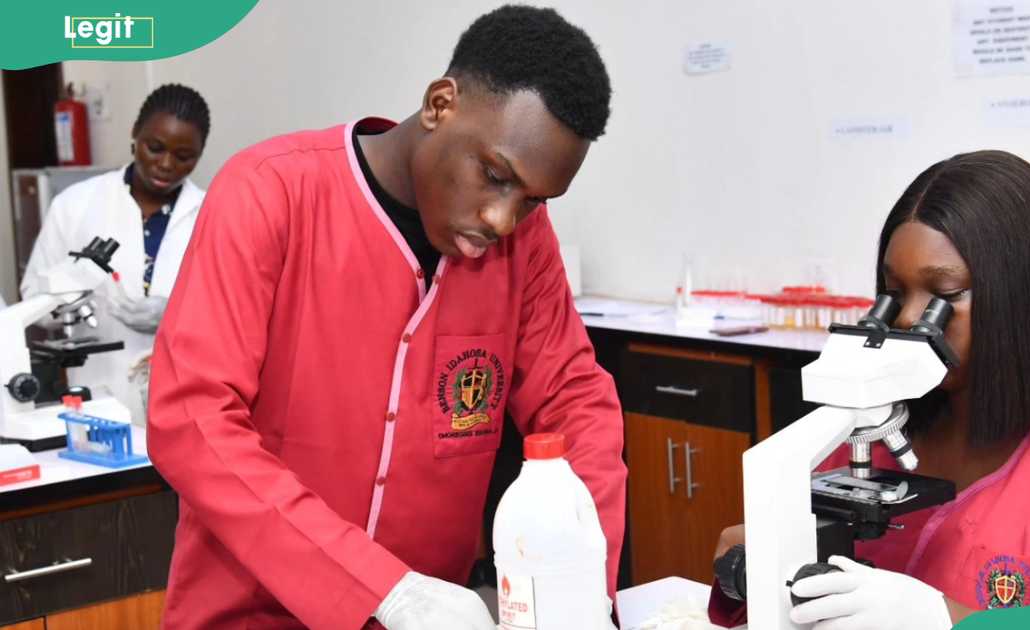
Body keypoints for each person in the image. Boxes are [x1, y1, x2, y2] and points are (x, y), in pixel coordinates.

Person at [146, 6, 626, 630]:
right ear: (439, 104)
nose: (504, 220)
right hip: (249, 614)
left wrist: (585, 593)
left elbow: (575, 401)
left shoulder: (522, 246)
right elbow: (192, 419)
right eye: (494, 176)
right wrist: (382, 590)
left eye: (533, 201)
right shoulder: (272, 194)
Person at [709, 150, 1030, 629]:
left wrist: (943, 621)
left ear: (1025, 295)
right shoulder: (882, 419)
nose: (906, 320)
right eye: (895, 295)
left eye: (943, 297)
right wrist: (757, 572)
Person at [21, 84, 209, 424]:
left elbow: (233, 313)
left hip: (186, 404)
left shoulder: (212, 213)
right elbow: (34, 297)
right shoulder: (76, 204)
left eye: (184, 157)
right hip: (99, 398)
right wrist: (64, 305)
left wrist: (178, 313)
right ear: (135, 134)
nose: (166, 164)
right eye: (155, 147)